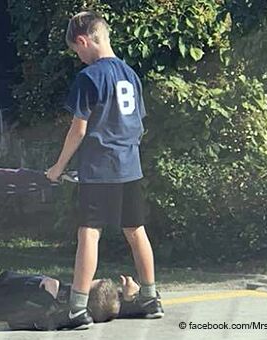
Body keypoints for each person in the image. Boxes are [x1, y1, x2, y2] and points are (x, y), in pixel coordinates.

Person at [45, 11, 164, 329]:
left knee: (89, 233)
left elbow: (78, 130)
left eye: (77, 51)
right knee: (136, 230)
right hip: (130, 167)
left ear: (83, 40)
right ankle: (151, 298)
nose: (79, 58)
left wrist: (58, 168)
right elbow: (138, 124)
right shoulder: (130, 74)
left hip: (100, 170)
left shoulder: (89, 77)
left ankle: (77, 308)